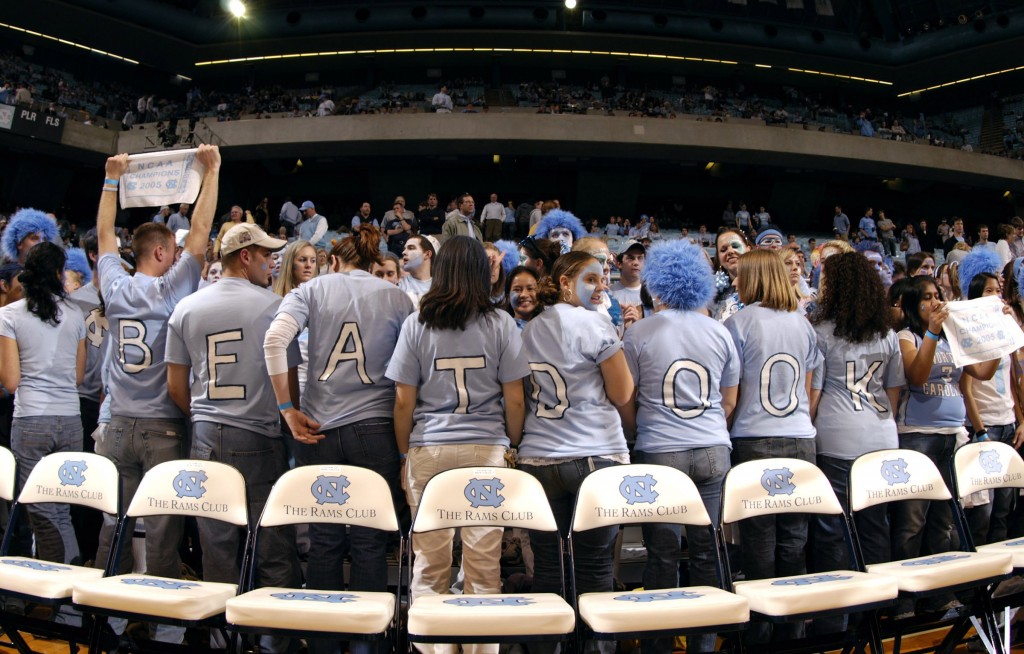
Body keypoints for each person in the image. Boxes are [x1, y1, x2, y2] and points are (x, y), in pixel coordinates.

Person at [265, 224, 413, 654]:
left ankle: (326, 643)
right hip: (375, 428)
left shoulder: (312, 289)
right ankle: (367, 643)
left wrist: (285, 409)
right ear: (372, 262)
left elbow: (275, 340)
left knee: (326, 537)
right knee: (369, 539)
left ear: (334, 260)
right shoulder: (399, 297)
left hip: (318, 429)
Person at [92, 146, 220, 625]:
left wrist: (111, 179)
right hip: (163, 425)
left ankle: (109, 619)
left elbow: (105, 233)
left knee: (115, 526)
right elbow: (203, 233)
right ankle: (160, 626)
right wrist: (213, 172)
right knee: (163, 529)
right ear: (163, 252)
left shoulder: (115, 284)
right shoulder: (174, 286)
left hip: (117, 424)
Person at [385, 236, 528, 654]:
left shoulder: (418, 322)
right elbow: (515, 398)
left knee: (430, 567)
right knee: (484, 567)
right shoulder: (500, 322)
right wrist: (511, 446)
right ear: (481, 273)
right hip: (485, 450)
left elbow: (403, 402)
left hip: (429, 450)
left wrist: (403, 454)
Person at [165, 223, 301, 654]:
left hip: (204, 436)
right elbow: (290, 387)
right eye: (266, 254)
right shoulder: (274, 306)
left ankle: (225, 643)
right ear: (244, 256)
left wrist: (207, 418)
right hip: (258, 435)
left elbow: (175, 386)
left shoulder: (186, 307)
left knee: (217, 550)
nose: (272, 261)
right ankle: (272, 644)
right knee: (272, 547)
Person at [622, 240, 737, 654]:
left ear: (656, 283)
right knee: (708, 551)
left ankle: (658, 645)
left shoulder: (639, 332)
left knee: (662, 554)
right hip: (712, 449)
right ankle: (704, 644)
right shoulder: (720, 331)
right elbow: (729, 400)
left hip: (660, 450)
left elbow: (627, 399)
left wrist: (643, 434)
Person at [516, 250, 633, 654]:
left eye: (603, 279)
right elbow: (622, 393)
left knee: (549, 567)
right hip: (593, 457)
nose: (602, 287)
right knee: (594, 566)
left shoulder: (527, 328)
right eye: (591, 279)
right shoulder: (595, 325)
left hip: (538, 458)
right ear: (565, 283)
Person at [724, 249, 822, 644]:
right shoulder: (804, 324)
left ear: (756, 277)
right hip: (801, 439)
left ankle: (759, 637)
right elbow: (811, 387)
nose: (735, 282)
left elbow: (730, 392)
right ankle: (793, 635)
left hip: (753, 438)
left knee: (759, 542)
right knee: (794, 542)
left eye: (740, 275)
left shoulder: (738, 323)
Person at [893, 275, 1001, 616]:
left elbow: (982, 372)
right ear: (913, 305)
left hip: (953, 436)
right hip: (917, 436)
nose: (936, 302)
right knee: (912, 522)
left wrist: (996, 341)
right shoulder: (906, 336)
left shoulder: (951, 338)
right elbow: (918, 376)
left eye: (938, 295)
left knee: (945, 519)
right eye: (926, 297)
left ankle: (939, 595)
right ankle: (906, 600)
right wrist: (933, 333)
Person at [808, 252, 903, 633]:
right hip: (881, 436)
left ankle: (834, 621)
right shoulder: (889, 333)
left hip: (837, 438)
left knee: (834, 530)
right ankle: (873, 617)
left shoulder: (820, 332)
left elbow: (813, 396)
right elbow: (893, 392)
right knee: (874, 526)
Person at [0, 242, 85, 567]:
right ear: (57, 273)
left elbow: (10, 381)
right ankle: (66, 601)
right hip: (70, 420)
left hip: (32, 420)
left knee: (40, 512)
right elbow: (78, 376)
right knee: (60, 511)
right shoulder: (75, 313)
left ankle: (59, 601)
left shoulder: (8, 316)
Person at [712, 228, 749, 322]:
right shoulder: (712, 292)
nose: (730, 252)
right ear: (719, 258)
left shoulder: (766, 283)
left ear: (748, 249)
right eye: (723, 250)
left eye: (735, 246)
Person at [399, 235, 434, 308]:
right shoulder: (399, 285)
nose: (403, 252)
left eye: (411, 248)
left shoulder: (442, 286)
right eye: (404, 249)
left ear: (427, 254)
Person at [504, 265, 542, 329]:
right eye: (517, 289)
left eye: (530, 288)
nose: (524, 294)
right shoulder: (503, 329)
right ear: (508, 296)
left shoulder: (548, 326)